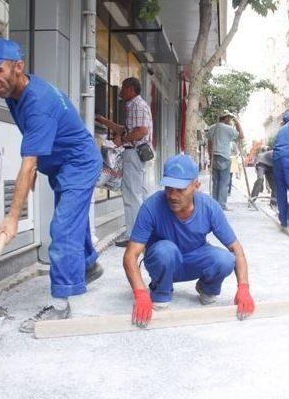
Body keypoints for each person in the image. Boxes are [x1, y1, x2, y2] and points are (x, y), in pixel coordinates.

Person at [0, 37, 103, 331]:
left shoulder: (38, 103)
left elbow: (29, 163)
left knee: (62, 228)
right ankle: (88, 264)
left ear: (18, 67)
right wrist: (30, 178)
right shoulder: (13, 92)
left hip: (79, 164)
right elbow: (32, 154)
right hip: (62, 165)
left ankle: (60, 306)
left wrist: (12, 217)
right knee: (73, 221)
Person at [123, 154, 255, 327]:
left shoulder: (209, 207)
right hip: (164, 262)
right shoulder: (151, 207)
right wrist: (140, 294)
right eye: (169, 188)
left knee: (225, 259)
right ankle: (161, 292)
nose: (172, 195)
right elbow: (130, 256)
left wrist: (243, 288)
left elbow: (236, 249)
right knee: (165, 250)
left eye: (180, 189)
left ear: (196, 186)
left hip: (195, 260)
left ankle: (206, 289)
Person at [95, 77, 152, 248]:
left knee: (131, 195)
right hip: (134, 153)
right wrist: (104, 121)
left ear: (132, 89)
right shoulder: (133, 106)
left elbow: (141, 131)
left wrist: (124, 139)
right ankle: (142, 233)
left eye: (123, 88)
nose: (120, 91)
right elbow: (125, 129)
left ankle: (134, 237)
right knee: (138, 193)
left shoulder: (138, 105)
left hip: (134, 153)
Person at [207, 111, 243, 210]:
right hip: (224, 157)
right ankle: (221, 205)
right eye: (230, 119)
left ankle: (215, 204)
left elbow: (209, 144)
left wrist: (210, 157)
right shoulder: (228, 129)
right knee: (224, 182)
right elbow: (241, 136)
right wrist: (237, 123)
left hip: (214, 156)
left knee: (216, 181)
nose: (230, 121)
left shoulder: (211, 128)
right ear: (226, 118)